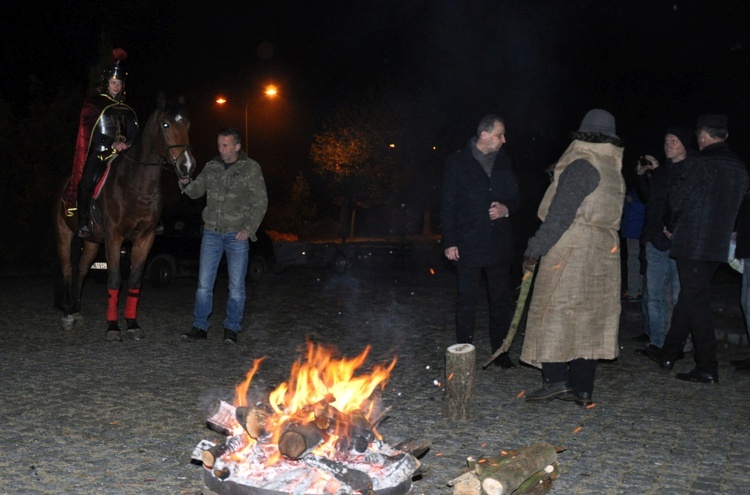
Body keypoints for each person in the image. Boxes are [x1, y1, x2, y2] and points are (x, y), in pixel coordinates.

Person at [521, 109, 625, 406]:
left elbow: (560, 214)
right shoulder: (611, 167)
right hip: (603, 250)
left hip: (573, 248)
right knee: (590, 315)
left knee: (555, 309)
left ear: (581, 135)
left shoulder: (583, 163)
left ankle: (555, 381)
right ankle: (583, 388)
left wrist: (534, 248)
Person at [646, 114, 748, 383]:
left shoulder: (699, 163)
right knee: (690, 297)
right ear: (724, 136)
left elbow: (679, 198)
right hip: (717, 244)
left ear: (702, 136)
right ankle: (669, 352)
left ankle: (707, 365)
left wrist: (671, 224)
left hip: (692, 242)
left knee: (695, 301)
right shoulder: (739, 168)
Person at [441, 114, 520, 368]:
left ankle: (501, 351)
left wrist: (506, 208)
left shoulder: (504, 161)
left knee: (500, 300)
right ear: (484, 135)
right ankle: (463, 352)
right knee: (467, 300)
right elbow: (448, 204)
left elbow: (517, 196)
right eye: (500, 135)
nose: (504, 140)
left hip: (498, 243)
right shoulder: (457, 162)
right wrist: (449, 241)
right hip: (468, 242)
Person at [179, 128, 268, 345]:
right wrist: (186, 183)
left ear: (237, 146)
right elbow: (197, 191)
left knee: (236, 287)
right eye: (219, 145)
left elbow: (260, 201)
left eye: (226, 145)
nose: (221, 149)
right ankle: (200, 327)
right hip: (211, 233)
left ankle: (231, 328)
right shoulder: (212, 166)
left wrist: (248, 229)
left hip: (236, 235)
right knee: (203, 285)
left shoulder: (250, 168)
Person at [66, 48, 139, 238]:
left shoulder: (127, 110)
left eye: (119, 83)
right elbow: (88, 132)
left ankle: (148, 217)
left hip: (123, 155)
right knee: (86, 180)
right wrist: (111, 143)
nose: (116, 86)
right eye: (113, 82)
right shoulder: (95, 103)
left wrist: (129, 144)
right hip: (100, 153)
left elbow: (134, 133)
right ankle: (83, 222)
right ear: (107, 83)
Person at [633, 128, 693, 352]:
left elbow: (685, 203)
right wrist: (641, 177)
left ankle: (680, 344)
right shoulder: (661, 173)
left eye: (674, 141)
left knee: (679, 297)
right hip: (654, 240)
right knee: (654, 296)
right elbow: (651, 200)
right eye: (666, 141)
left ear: (685, 145)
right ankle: (657, 343)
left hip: (680, 243)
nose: (668, 145)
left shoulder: (692, 170)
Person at [620, 186, 646, 302]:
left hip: (637, 232)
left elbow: (645, 209)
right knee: (635, 262)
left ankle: (634, 292)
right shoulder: (633, 191)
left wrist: (632, 202)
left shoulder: (643, 192)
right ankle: (637, 290)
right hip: (631, 232)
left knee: (635, 262)